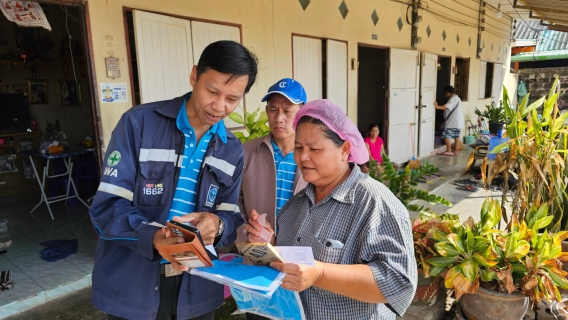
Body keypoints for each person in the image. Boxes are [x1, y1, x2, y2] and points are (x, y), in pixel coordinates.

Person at [89, 40, 258, 320]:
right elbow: (107, 207)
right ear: (194, 76)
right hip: (134, 284)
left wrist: (216, 225)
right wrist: (157, 238)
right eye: (212, 91)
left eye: (232, 99)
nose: (218, 107)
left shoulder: (231, 149)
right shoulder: (139, 124)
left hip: (197, 287)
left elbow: (230, 216)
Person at [246, 99, 417, 320]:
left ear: (344, 150)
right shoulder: (295, 205)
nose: (303, 157)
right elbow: (291, 263)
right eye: (298, 147)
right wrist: (270, 242)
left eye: (314, 149)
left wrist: (320, 274)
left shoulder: (375, 202)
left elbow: (398, 281)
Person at [238, 78, 308, 245]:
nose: (279, 118)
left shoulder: (313, 157)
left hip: (300, 256)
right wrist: (245, 236)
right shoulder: (246, 152)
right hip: (255, 251)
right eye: (273, 110)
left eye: (287, 110)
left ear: (302, 113)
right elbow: (234, 201)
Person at [434, 85, 464, 156]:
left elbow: (446, 107)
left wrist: (437, 106)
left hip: (453, 121)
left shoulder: (453, 99)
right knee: (457, 135)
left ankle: (449, 150)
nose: (445, 95)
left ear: (447, 92)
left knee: (445, 135)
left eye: (445, 94)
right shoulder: (457, 98)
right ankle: (456, 151)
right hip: (458, 121)